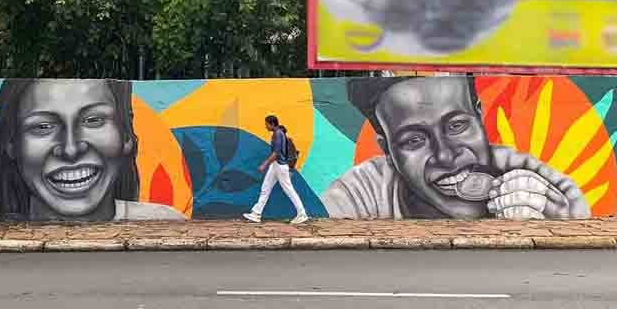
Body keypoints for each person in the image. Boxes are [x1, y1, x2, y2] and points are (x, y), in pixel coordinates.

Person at [322, 76, 591, 221]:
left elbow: (578, 212)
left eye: (457, 126)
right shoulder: (359, 193)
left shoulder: (525, 171)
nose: (446, 156)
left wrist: (555, 215)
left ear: (480, 118)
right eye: (414, 140)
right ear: (388, 152)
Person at [0, 79, 185, 222]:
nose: (70, 149)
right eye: (43, 126)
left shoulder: (166, 221)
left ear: (126, 136)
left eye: (93, 120)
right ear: (11, 144)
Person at [244, 115, 309, 224]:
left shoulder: (278, 134)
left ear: (272, 124)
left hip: (280, 165)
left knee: (289, 190)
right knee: (265, 188)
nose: (266, 126)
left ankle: (302, 213)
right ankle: (256, 214)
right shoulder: (278, 133)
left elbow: (276, 152)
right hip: (276, 165)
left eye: (267, 124)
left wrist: (265, 164)